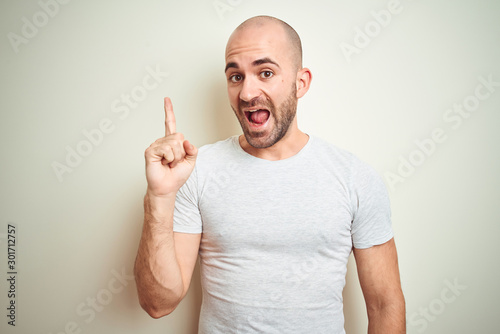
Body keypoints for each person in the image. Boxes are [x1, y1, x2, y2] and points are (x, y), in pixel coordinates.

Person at [134, 15, 405, 333]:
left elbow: (385, 304)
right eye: (235, 76)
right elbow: (158, 304)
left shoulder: (354, 178)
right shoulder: (196, 171)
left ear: (300, 82)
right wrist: (160, 197)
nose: (247, 93)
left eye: (265, 72)